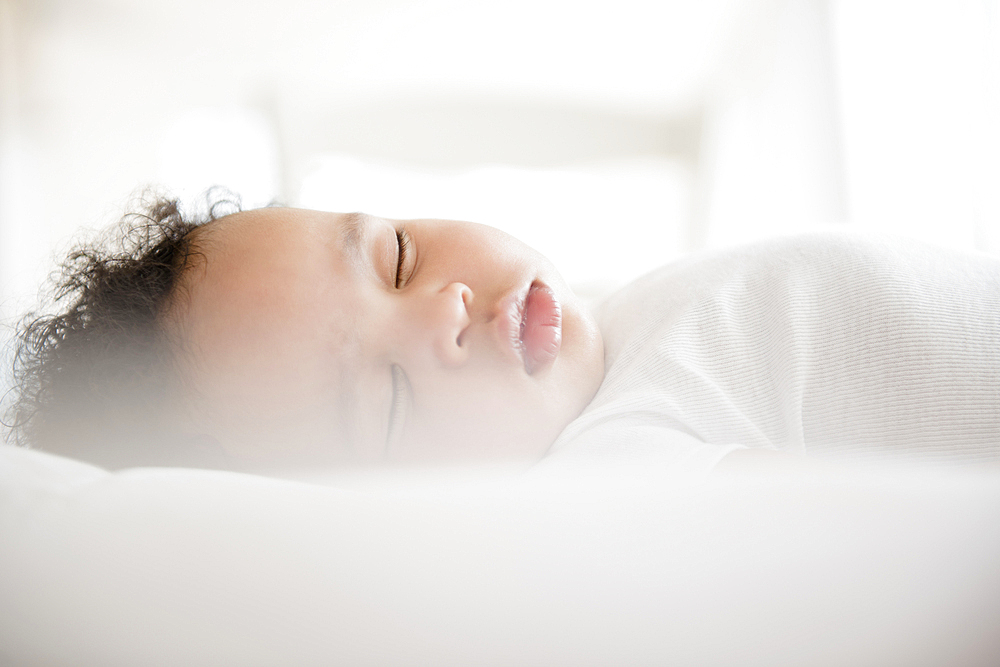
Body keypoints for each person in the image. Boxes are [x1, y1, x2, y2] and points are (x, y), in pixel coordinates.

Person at [5, 196, 999, 473]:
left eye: (395, 256)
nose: (441, 308)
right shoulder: (624, 459)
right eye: (386, 397)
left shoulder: (610, 321)